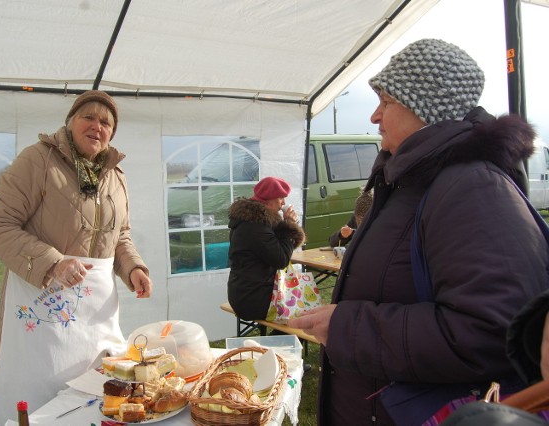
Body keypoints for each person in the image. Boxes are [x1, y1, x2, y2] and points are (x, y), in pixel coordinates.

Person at [288, 38, 549, 425]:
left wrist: (348, 327)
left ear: (427, 109)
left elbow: (492, 331)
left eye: (387, 101)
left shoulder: (472, 187)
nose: (375, 116)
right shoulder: (414, 181)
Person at [0, 90, 153, 425]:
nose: (97, 126)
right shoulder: (38, 160)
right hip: (42, 297)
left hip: (95, 310)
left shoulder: (116, 176)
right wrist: (53, 262)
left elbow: (120, 237)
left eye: (106, 123)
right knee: (41, 394)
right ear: (71, 122)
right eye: (88, 117)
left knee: (98, 389)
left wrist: (133, 268)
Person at [227, 176, 305, 322]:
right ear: (269, 199)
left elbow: (277, 248)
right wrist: (288, 225)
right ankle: (279, 343)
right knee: (301, 315)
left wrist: (285, 226)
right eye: (281, 197)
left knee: (301, 309)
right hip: (252, 299)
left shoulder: (251, 220)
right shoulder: (255, 226)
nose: (284, 203)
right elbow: (281, 259)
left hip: (245, 292)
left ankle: (278, 342)